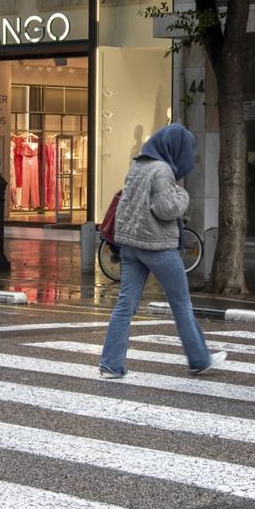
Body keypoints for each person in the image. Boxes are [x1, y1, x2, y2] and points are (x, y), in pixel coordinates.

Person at [98, 123, 226, 378]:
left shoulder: (138, 165)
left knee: (125, 305)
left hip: (131, 247)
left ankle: (111, 364)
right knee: (181, 304)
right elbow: (165, 208)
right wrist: (184, 196)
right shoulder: (162, 170)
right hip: (157, 247)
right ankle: (199, 359)